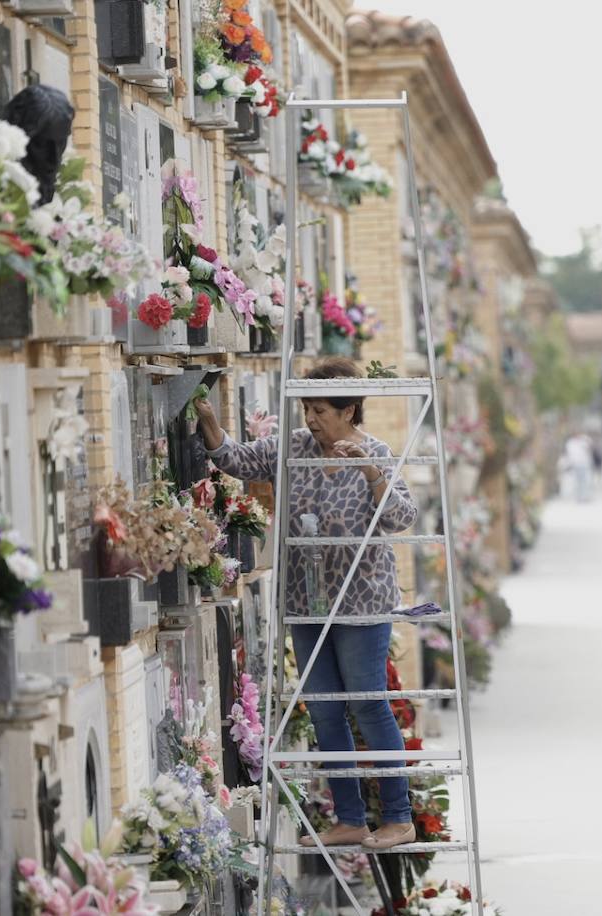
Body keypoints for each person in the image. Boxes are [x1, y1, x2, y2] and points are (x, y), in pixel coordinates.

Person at [193, 357, 419, 850]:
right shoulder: (293, 448)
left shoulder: (375, 452)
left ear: (349, 410)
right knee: (322, 710)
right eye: (307, 408)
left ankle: (399, 818)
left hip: (360, 604)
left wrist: (370, 472)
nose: (311, 419)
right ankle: (351, 818)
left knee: (366, 704)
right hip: (307, 600)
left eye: (320, 410)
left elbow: (402, 516)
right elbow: (237, 461)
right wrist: (208, 419)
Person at [562, 431, 594, 503]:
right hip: (575, 464)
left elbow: (590, 447)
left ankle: (585, 496)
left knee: (585, 481)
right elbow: (568, 454)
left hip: (584, 464)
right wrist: (568, 463)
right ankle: (578, 496)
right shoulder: (570, 443)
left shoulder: (583, 441)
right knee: (577, 481)